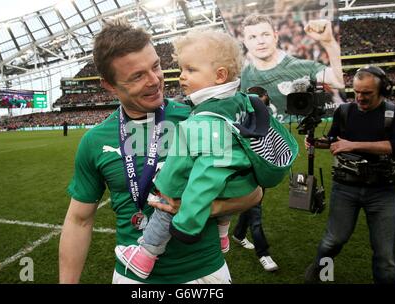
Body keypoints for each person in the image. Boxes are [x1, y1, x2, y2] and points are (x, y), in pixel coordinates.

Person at [59, 19, 263, 284]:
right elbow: (79, 221)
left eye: (155, 66)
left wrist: (202, 207)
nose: (155, 80)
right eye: (137, 76)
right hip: (132, 279)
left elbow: (254, 194)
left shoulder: (201, 117)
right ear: (109, 85)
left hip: (206, 273)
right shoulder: (95, 141)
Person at [114, 29, 298, 280]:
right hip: (238, 185)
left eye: (190, 70)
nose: (181, 76)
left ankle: (145, 255)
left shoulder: (207, 119)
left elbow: (208, 173)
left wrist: (187, 219)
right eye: (181, 69)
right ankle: (223, 235)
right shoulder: (238, 101)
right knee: (220, 180)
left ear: (220, 75)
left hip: (208, 198)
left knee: (167, 200)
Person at [304, 66, 395, 284]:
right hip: (345, 187)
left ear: (383, 90)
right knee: (333, 242)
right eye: (356, 91)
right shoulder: (345, 111)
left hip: (382, 190)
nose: (360, 97)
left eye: (366, 93)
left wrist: (354, 145)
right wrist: (316, 142)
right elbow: (334, 140)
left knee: (386, 256)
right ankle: (321, 275)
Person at [241, 14, 345, 120]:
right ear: (245, 43)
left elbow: (339, 81)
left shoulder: (302, 67)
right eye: (252, 37)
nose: (260, 41)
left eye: (265, 34)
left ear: (275, 37)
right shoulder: (243, 76)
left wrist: (329, 42)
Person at [231, 88, 279, 272]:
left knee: (252, 208)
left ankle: (238, 234)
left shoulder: (267, 122)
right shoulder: (239, 122)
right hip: (247, 176)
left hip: (262, 175)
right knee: (256, 216)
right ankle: (263, 254)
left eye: (264, 105)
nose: (261, 108)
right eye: (257, 104)